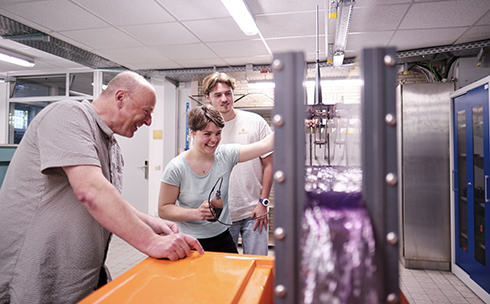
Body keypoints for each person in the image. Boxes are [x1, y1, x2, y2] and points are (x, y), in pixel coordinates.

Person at [0, 71, 204, 304]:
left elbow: (108, 195)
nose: (148, 121)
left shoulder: (110, 144)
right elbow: (90, 191)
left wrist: (150, 222)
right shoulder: (68, 115)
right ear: (120, 97)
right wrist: (152, 241)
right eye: (146, 111)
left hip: (79, 276)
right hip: (34, 275)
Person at [158, 105, 274, 253]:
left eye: (218, 133)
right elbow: (164, 209)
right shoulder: (176, 167)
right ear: (192, 132)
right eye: (207, 134)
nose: (214, 140)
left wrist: (293, 120)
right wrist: (196, 213)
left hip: (222, 237)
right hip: (189, 240)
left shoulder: (226, 155)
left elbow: (265, 145)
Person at [203, 73, 273, 255]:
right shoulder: (206, 130)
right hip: (221, 216)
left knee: (258, 269)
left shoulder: (255, 122)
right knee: (223, 273)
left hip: (254, 212)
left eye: (228, 93)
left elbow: (269, 165)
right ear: (208, 98)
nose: (224, 99)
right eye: (218, 95)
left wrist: (263, 202)